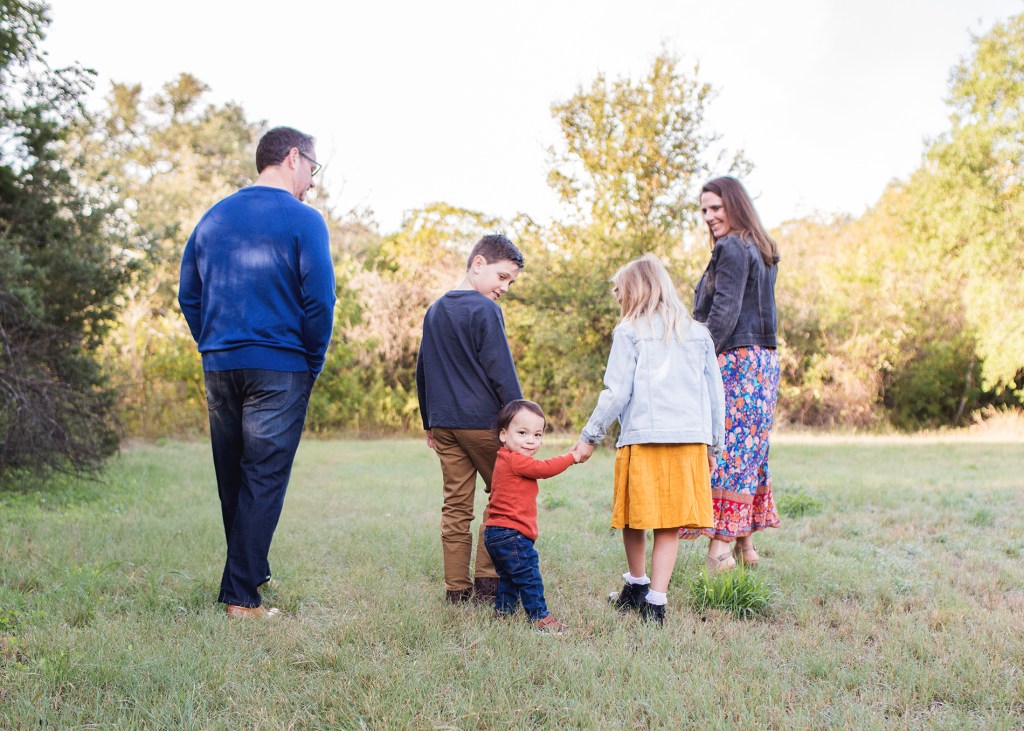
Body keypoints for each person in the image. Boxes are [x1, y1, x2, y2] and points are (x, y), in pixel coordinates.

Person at [178, 126, 336, 619]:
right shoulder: (304, 219)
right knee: (263, 475)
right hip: (280, 362)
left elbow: (189, 294)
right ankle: (241, 599)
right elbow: (319, 301)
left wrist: (215, 343)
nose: (312, 180)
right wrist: (313, 359)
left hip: (221, 362)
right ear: (293, 158)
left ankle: (250, 570)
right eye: (313, 167)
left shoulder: (212, 218)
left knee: (234, 475)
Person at [573, 254, 725, 625]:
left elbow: (616, 392)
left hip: (643, 438)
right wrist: (714, 445)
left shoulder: (629, 332)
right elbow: (715, 394)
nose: (619, 298)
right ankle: (652, 599)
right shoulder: (698, 333)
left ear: (636, 291)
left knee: (634, 516)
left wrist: (589, 436)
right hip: (689, 440)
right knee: (668, 522)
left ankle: (642, 587)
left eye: (621, 292)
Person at [415, 234, 525, 604]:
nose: (505, 287)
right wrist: (519, 423)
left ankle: (455, 589)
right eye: (502, 276)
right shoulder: (485, 310)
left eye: (510, 281)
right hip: (483, 425)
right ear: (478, 264)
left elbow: (423, 369)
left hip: (444, 424)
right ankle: (488, 582)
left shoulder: (435, 309)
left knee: (456, 505)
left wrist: (428, 420)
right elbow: (501, 371)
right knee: (505, 499)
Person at [679, 176, 781, 573]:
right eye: (704, 210)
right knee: (751, 447)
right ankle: (746, 544)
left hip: (735, 359)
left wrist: (697, 358)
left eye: (716, 208)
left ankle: (720, 549)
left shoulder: (732, 247)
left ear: (735, 205)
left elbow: (724, 311)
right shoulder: (762, 248)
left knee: (728, 447)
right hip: (764, 361)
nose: (708, 217)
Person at [484, 399, 578, 633]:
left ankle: (504, 612)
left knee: (508, 576)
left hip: (495, 532)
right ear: (503, 435)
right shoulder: (515, 460)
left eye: (537, 435)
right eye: (523, 432)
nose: (530, 440)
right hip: (511, 533)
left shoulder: (504, 458)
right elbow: (544, 469)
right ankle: (539, 617)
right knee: (528, 576)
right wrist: (571, 457)